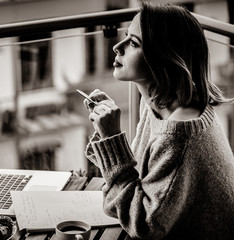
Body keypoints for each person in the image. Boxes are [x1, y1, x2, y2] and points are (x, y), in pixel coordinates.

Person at [83, 2, 234, 239]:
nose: (116, 47)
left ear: (164, 57)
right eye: (125, 37)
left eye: (133, 43)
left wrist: (111, 139)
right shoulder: (161, 101)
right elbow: (141, 182)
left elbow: (144, 226)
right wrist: (107, 136)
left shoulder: (178, 135)